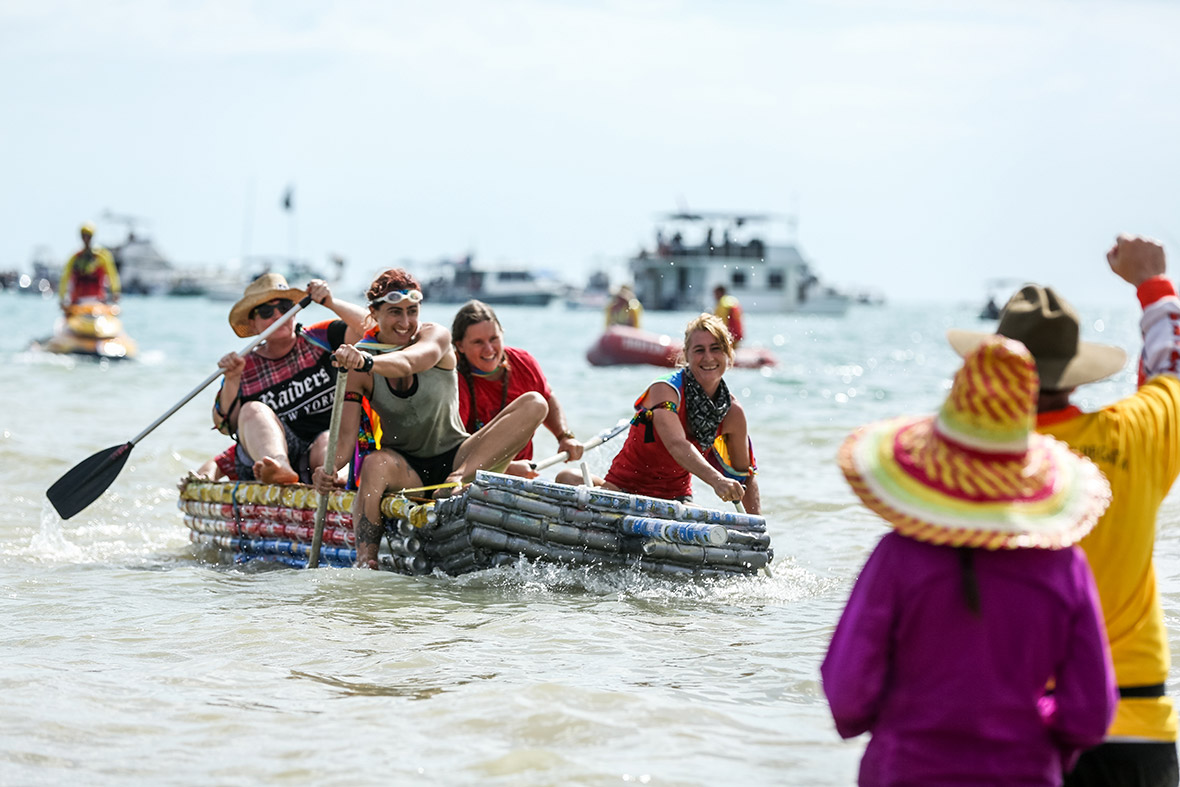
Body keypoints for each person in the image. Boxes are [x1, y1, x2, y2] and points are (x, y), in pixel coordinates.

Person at [822, 335, 1117, 786]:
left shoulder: (899, 558)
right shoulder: (1064, 567)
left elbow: (848, 694)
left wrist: (908, 719)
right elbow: (1090, 714)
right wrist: (1027, 721)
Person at [947, 234, 1180, 787]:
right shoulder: (1135, 437)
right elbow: (1172, 374)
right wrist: (1152, 283)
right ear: (1075, 372)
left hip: (1016, 728)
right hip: (1137, 727)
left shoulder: (962, 465)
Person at [312, 269, 546, 569]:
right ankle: (366, 563)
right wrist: (328, 471)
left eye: (412, 311)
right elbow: (344, 441)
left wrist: (368, 361)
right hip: (407, 469)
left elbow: (413, 359)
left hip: (458, 456)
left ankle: (460, 480)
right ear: (374, 313)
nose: (406, 322)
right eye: (395, 312)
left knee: (535, 402)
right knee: (373, 463)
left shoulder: (434, 336)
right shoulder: (357, 362)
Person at [557, 313, 760, 514]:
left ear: (728, 354)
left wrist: (757, 531)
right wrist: (717, 481)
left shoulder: (732, 412)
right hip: (623, 490)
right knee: (566, 478)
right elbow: (676, 444)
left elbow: (746, 477)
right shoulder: (665, 390)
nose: (708, 358)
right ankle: (600, 492)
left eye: (716, 349)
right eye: (699, 350)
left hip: (675, 499)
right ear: (686, 355)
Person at [213, 273, 371, 486]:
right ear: (254, 323)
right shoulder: (243, 365)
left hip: (327, 444)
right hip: (273, 452)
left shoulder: (320, 337)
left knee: (327, 441)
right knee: (251, 409)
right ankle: (280, 467)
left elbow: (372, 330)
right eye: (267, 312)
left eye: (286, 308)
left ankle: (335, 478)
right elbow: (225, 426)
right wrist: (231, 380)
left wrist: (330, 302)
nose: (278, 316)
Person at [452, 300, 583, 476]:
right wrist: (507, 469)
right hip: (470, 476)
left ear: (502, 334)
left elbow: (548, 396)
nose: (489, 349)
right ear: (459, 345)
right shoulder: (453, 379)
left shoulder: (523, 362)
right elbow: (451, 451)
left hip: (523, 474)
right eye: (478, 342)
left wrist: (564, 436)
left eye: (494, 339)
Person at [58, 223, 120, 307]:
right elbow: (65, 278)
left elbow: (112, 275)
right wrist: (62, 297)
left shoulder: (102, 257)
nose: (86, 238)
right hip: (77, 302)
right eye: (84, 236)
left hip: (98, 301)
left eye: (88, 236)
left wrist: (115, 292)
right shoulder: (75, 258)